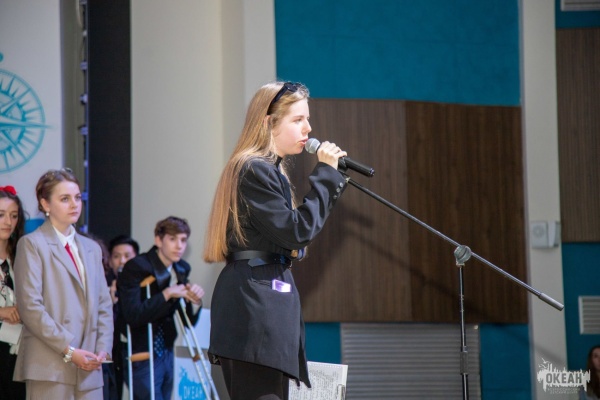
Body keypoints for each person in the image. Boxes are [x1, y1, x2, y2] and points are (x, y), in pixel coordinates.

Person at [204, 81, 348, 400]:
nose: (308, 128)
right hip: (253, 309)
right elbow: (296, 232)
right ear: (269, 122)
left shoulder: (270, 171)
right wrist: (326, 176)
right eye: (298, 120)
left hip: (262, 302)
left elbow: (291, 240)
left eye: (307, 119)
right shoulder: (254, 169)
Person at [13, 168, 114, 400]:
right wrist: (69, 351)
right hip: (49, 366)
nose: (74, 204)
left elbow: (104, 304)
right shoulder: (32, 245)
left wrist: (102, 349)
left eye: (77, 197)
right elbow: (31, 308)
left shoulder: (92, 248)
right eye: (65, 199)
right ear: (45, 204)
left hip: (90, 367)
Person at [118, 216, 204, 400]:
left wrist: (194, 301)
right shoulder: (136, 267)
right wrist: (167, 294)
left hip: (166, 349)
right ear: (158, 240)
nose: (179, 246)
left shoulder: (181, 269)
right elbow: (132, 314)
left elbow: (187, 321)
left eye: (183, 240)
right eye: (172, 239)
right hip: (141, 350)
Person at [105, 235, 139, 400]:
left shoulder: (142, 287)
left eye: (127, 256)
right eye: (116, 256)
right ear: (110, 261)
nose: (122, 261)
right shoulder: (103, 287)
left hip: (137, 352)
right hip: (112, 354)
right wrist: (109, 303)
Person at [0, 185, 26, 399]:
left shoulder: (24, 254)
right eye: (1, 215)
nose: (8, 221)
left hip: (20, 349)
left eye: (14, 215)